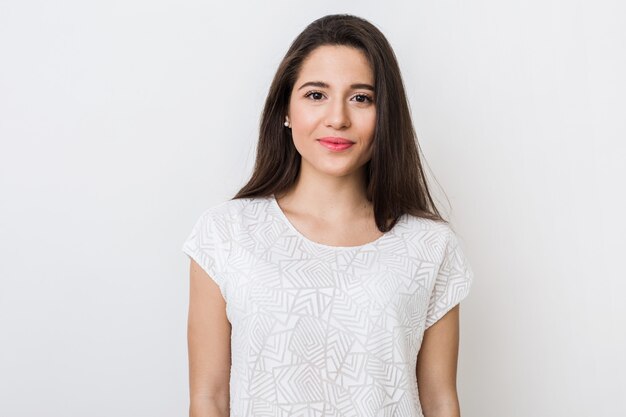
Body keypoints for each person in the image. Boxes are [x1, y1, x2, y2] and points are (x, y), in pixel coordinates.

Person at [182, 13, 473, 417]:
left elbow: (440, 400)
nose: (338, 117)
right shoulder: (225, 235)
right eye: (316, 95)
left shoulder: (429, 246)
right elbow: (209, 398)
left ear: (384, 115)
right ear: (285, 110)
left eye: (361, 98)